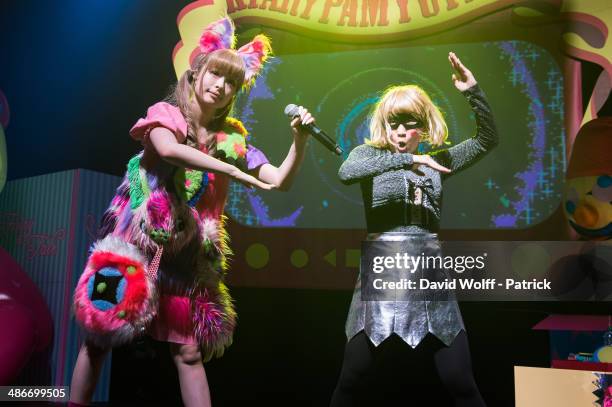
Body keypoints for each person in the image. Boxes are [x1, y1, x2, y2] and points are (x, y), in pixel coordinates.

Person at [69, 17, 314, 407]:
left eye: (231, 81)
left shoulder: (231, 138)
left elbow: (278, 179)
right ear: (197, 72)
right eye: (216, 74)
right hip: (132, 246)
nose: (221, 85)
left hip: (184, 259)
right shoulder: (166, 115)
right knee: (99, 339)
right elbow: (166, 150)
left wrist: (298, 142)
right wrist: (230, 170)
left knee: (188, 353)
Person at [331, 52, 498, 406]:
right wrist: (409, 159)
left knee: (459, 379)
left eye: (409, 123)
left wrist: (473, 92)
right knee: (352, 377)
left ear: (422, 126)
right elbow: (346, 173)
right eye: (394, 124)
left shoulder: (438, 161)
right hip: (383, 269)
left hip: (428, 271)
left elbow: (487, 140)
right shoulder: (369, 156)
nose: (401, 131)